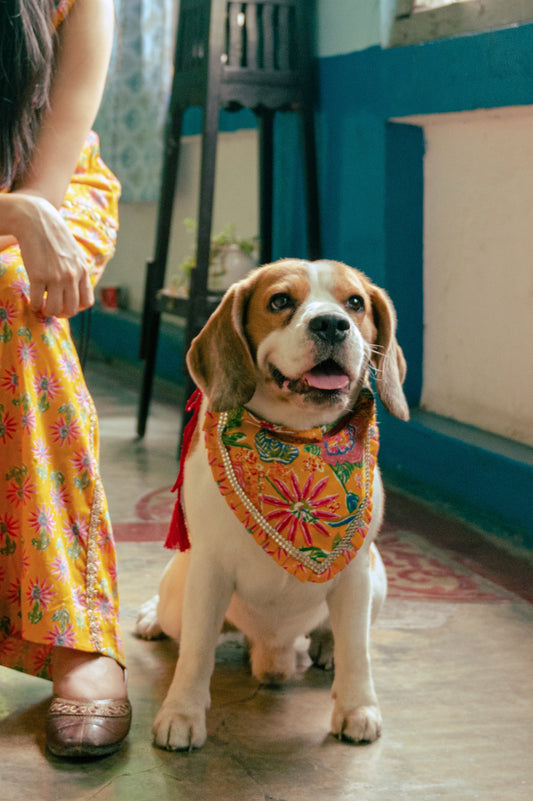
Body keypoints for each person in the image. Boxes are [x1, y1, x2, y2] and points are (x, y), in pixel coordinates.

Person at [0, 0, 131, 758]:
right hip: (11, 205)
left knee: (18, 297)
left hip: (45, 198)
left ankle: (78, 630)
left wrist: (19, 212)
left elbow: (44, 184)